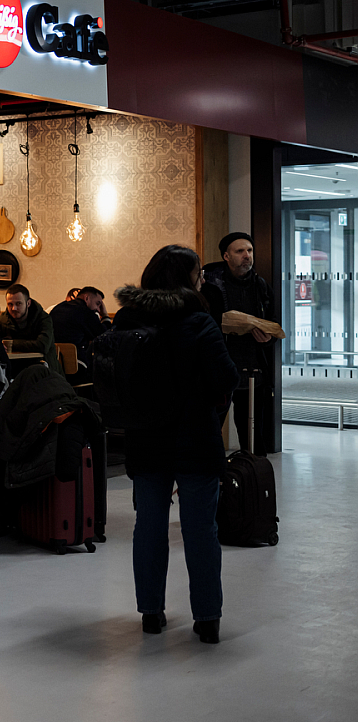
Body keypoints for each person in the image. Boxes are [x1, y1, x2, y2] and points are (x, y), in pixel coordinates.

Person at [111, 245, 238, 643]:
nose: (203, 279)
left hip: (146, 441)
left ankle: (151, 613)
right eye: (199, 273)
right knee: (200, 530)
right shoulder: (198, 321)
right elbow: (226, 378)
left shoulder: (125, 321)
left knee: (148, 527)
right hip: (194, 440)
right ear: (188, 279)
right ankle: (207, 621)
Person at [201, 232, 277, 455]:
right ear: (226, 256)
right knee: (210, 431)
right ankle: (213, 479)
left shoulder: (261, 286)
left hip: (252, 369)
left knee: (253, 437)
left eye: (250, 251)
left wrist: (268, 337)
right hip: (219, 368)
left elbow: (272, 321)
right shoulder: (210, 287)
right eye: (240, 251)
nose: (247, 256)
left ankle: (252, 481)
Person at [0, 283, 63, 375]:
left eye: (18, 303)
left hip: (44, 370)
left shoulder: (43, 319)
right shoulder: (2, 320)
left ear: (28, 303)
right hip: (14, 371)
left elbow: (42, 345)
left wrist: (11, 344)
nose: (14, 308)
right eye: (10, 304)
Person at [50, 285, 109, 376]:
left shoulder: (57, 308)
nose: (98, 309)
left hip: (54, 364)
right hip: (76, 367)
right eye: (97, 304)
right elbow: (105, 336)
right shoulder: (86, 312)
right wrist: (105, 315)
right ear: (86, 298)